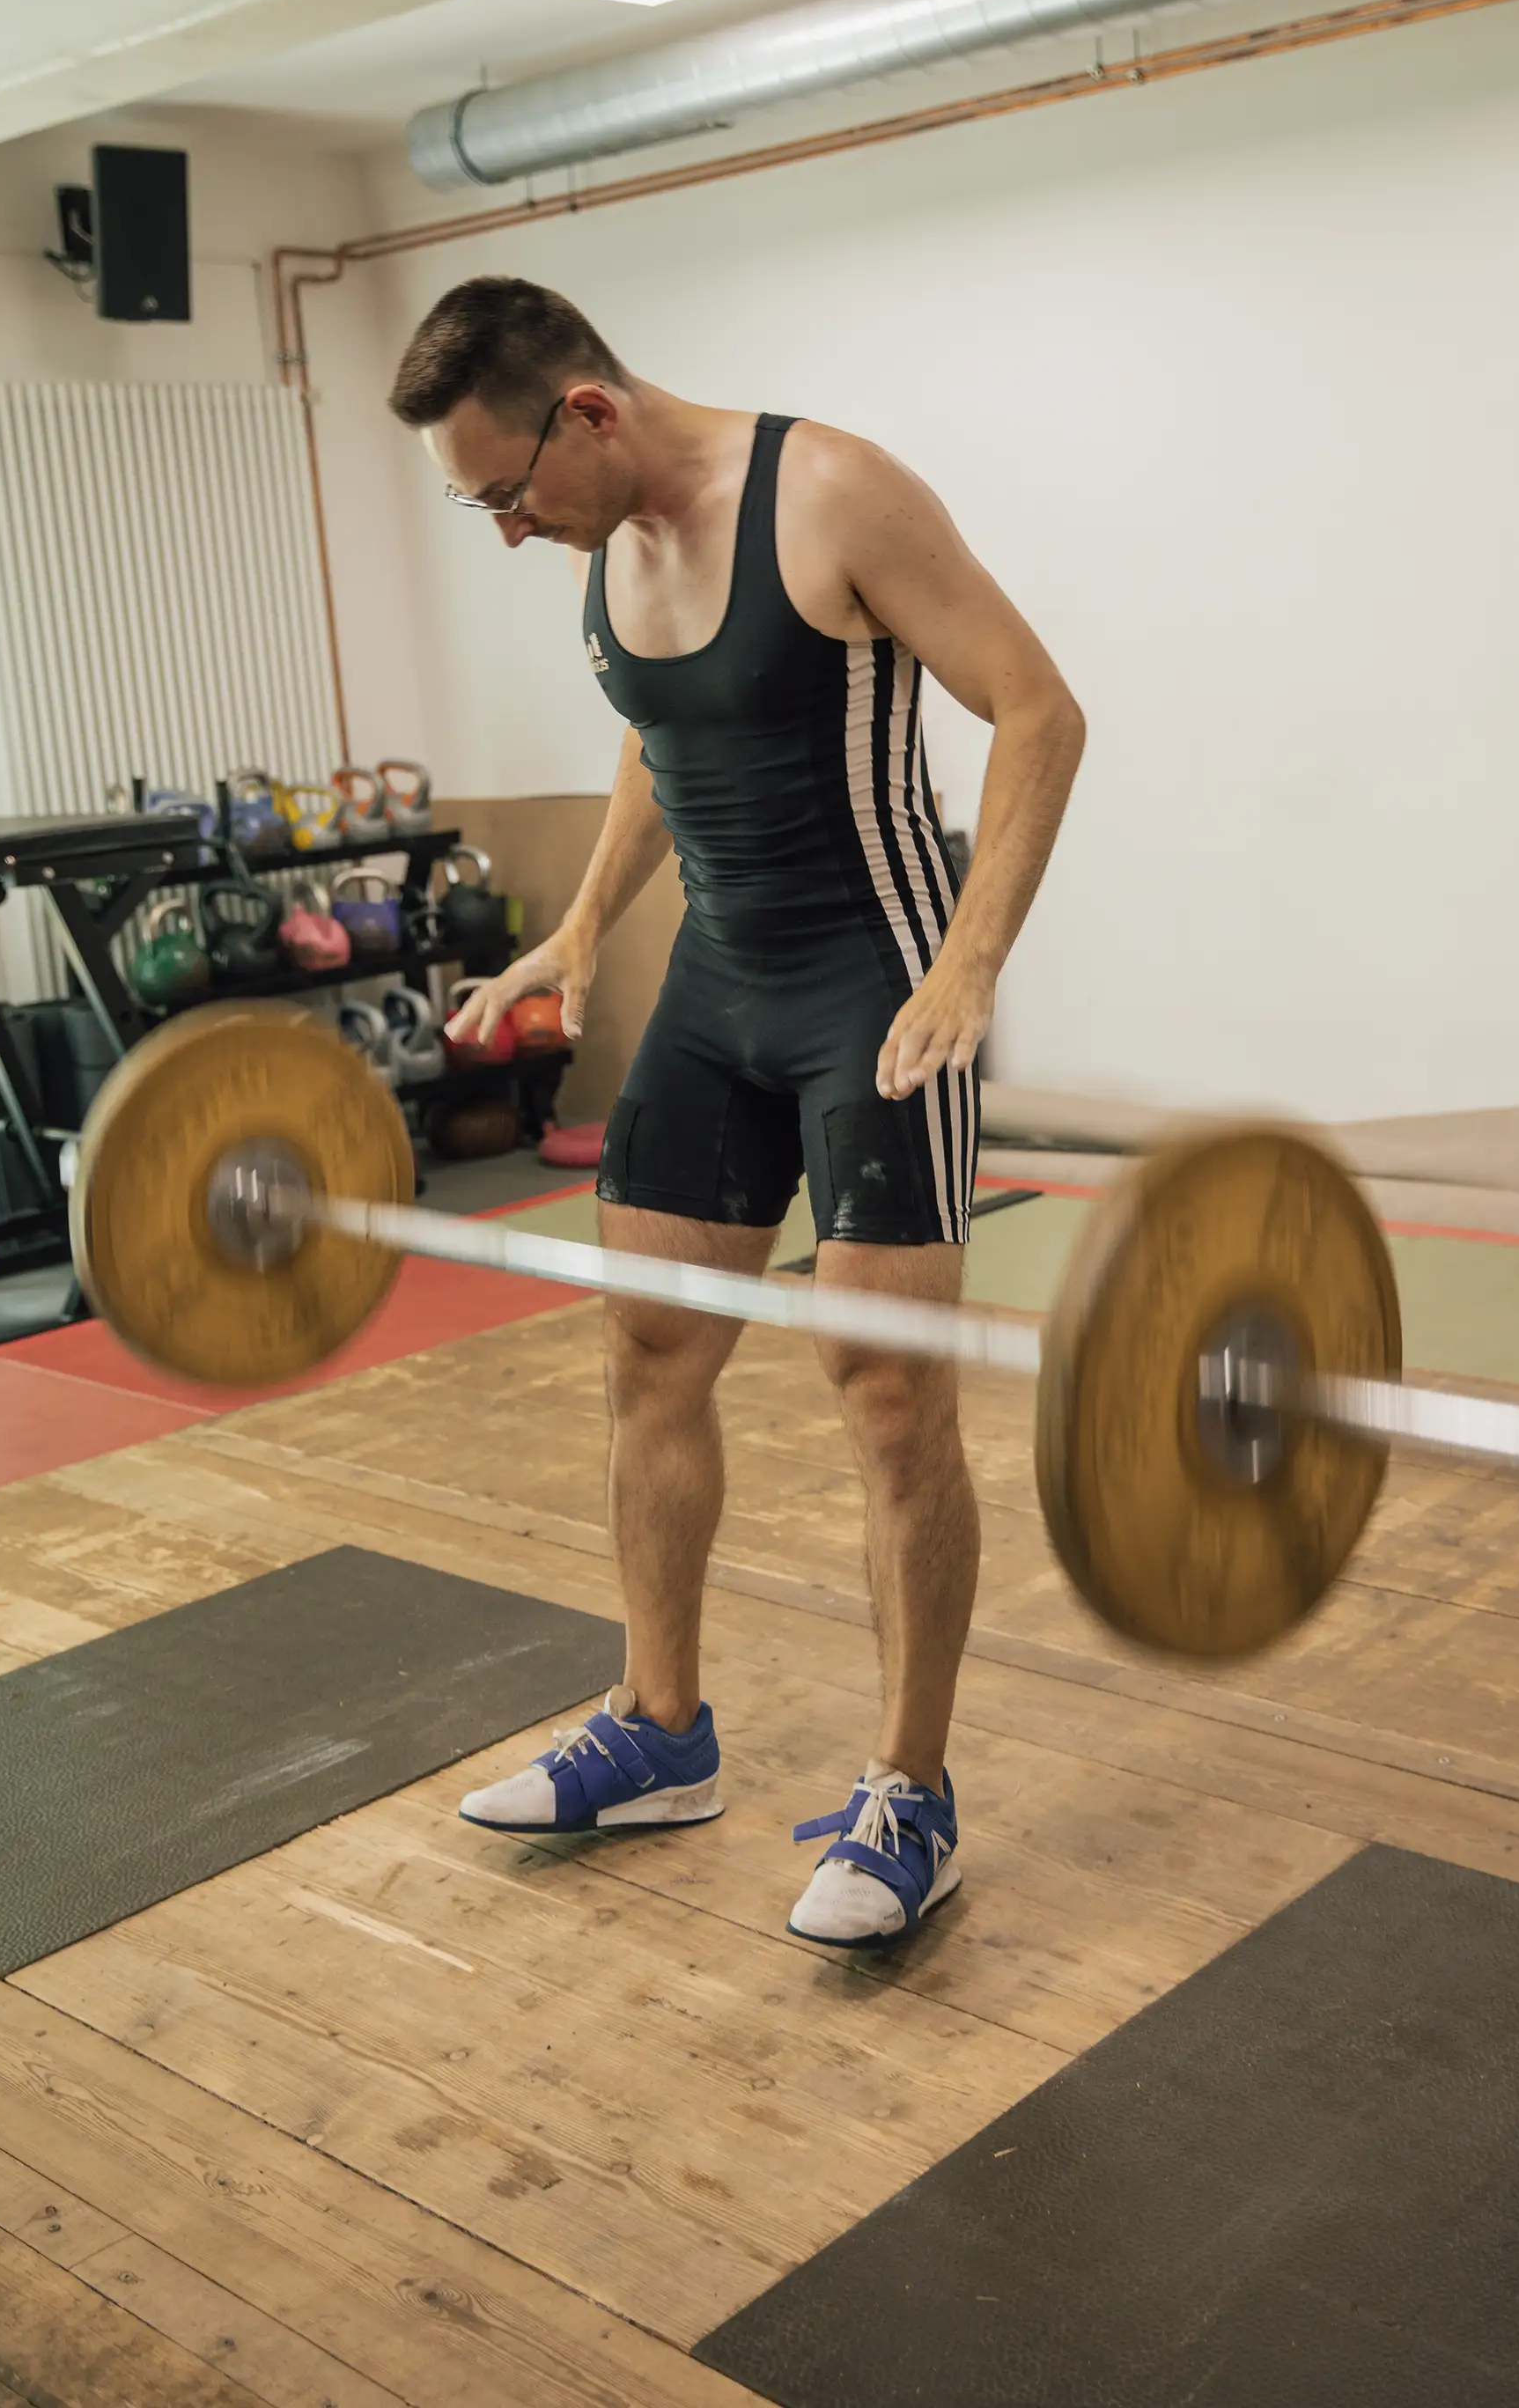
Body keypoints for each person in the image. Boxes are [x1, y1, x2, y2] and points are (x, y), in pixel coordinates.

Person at [388, 276, 1084, 1951]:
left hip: (875, 983)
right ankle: (660, 1729)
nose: (502, 529)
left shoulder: (834, 494)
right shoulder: (606, 539)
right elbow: (656, 733)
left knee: (892, 1401)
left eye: (504, 492)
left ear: (590, 413)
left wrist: (971, 966)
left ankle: (910, 1797)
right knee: (649, 1350)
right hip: (718, 988)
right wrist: (574, 932)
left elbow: (1039, 712)